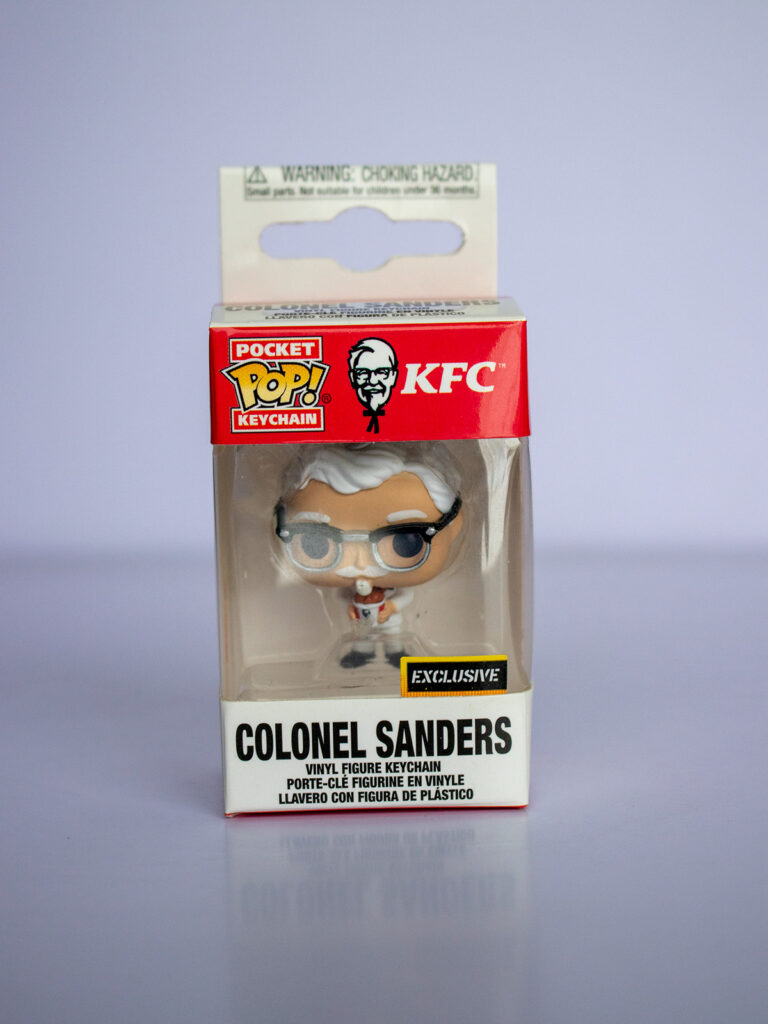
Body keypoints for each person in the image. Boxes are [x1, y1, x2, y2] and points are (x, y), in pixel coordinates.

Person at [275, 444, 463, 668]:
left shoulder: (392, 589)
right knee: (362, 635)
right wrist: (350, 607)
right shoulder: (352, 587)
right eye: (317, 543)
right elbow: (342, 596)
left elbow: (405, 597)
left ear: (454, 525)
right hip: (363, 616)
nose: (360, 563)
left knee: (393, 631)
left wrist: (392, 607)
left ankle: (397, 652)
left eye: (403, 541)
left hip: (388, 615)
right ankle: (361, 653)